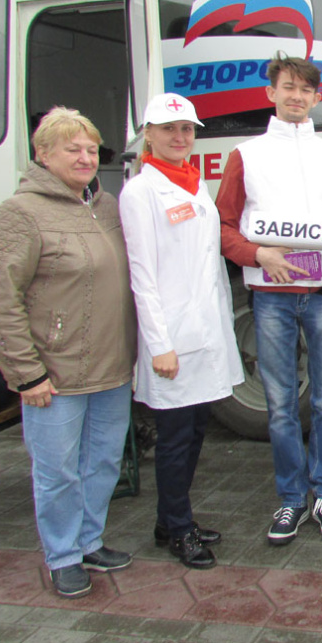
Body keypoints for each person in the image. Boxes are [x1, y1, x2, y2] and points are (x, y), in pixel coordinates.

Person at [0, 107, 137, 599]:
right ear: (42, 154)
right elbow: (1, 300)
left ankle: (90, 541)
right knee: (57, 472)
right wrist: (26, 375)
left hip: (112, 369)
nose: (85, 157)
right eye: (72, 149)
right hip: (55, 373)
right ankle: (62, 556)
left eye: (92, 149)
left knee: (103, 464)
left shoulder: (107, 206)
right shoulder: (19, 213)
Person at [217, 53, 322, 544]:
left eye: (306, 90)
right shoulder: (245, 155)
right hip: (271, 297)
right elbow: (224, 226)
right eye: (288, 87)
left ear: (318, 99)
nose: (297, 97)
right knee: (280, 406)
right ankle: (291, 499)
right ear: (270, 93)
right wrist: (259, 255)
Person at [119, 93, 243, 570]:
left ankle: (168, 521)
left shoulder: (194, 184)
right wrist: (159, 345)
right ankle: (180, 528)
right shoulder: (140, 192)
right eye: (169, 129)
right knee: (174, 437)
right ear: (148, 134)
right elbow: (142, 275)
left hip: (205, 331)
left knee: (193, 432)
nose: (179, 137)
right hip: (172, 340)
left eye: (187, 129)